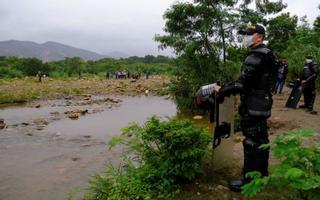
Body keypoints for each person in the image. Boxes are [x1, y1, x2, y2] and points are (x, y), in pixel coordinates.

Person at [213, 24, 278, 192]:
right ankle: (262, 175)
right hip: (262, 102)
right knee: (261, 140)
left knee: (251, 142)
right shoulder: (268, 54)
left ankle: (249, 181)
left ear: (260, 37)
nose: (245, 37)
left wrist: (223, 90)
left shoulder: (256, 56)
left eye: (249, 34)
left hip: (253, 104)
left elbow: (242, 83)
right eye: (244, 34)